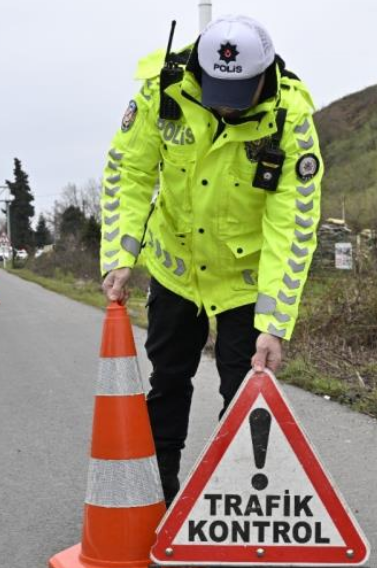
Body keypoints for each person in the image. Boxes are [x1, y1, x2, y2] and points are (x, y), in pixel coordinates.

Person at [99, 15, 324, 505]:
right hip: (175, 267)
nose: (226, 101)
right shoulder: (163, 93)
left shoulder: (291, 119)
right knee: (169, 381)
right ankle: (156, 499)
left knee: (243, 393)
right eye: (218, 87)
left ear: (264, 76)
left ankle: (233, 507)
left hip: (244, 281)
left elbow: (293, 225)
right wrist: (121, 255)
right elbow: (129, 173)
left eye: (241, 89)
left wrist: (274, 323)